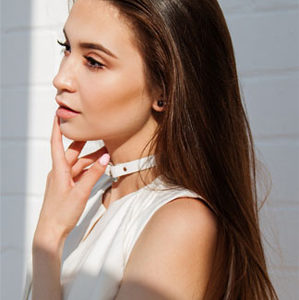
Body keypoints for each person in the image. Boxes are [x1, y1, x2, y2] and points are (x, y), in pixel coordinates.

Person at [22, 0, 278, 299]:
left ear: (164, 89)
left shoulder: (181, 224)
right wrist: (49, 237)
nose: (61, 79)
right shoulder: (89, 200)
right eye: (66, 47)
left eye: (93, 61)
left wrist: (49, 238)